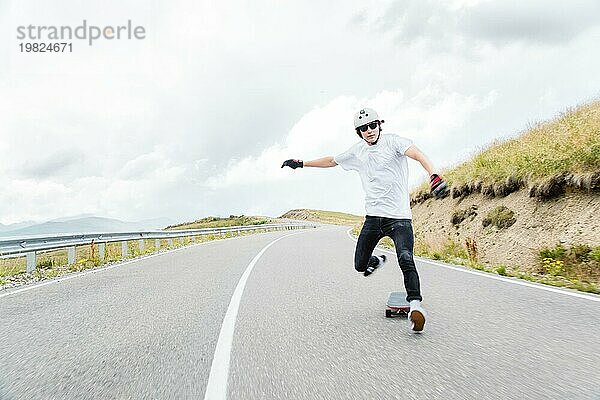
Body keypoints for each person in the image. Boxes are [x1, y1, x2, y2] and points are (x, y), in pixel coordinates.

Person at [281, 107, 448, 333]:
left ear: (379, 125)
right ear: (358, 132)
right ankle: (375, 261)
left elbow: (417, 154)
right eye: (363, 129)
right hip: (373, 218)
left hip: (399, 218)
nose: (369, 131)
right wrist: (301, 163)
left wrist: (433, 174)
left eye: (372, 125)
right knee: (360, 264)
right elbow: (331, 160)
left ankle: (416, 307)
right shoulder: (358, 151)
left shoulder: (394, 142)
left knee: (405, 258)